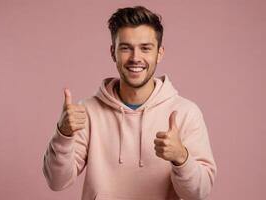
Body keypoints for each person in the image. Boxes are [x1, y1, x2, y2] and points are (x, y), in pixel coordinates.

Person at [43, 6, 217, 200]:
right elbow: (57, 182)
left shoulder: (185, 113)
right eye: (126, 48)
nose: (135, 58)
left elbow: (199, 193)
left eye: (145, 48)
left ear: (159, 53)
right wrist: (63, 134)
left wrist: (181, 158)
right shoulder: (87, 111)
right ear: (113, 52)